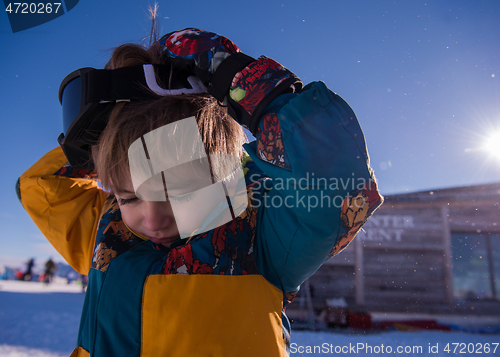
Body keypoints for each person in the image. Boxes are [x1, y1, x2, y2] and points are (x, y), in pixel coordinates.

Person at [17, 26, 383, 357]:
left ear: (221, 174)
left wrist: (238, 79)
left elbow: (337, 182)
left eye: (177, 192)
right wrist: (102, 141)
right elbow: (40, 186)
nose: (152, 218)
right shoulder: (109, 230)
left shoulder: (258, 230)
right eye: (129, 195)